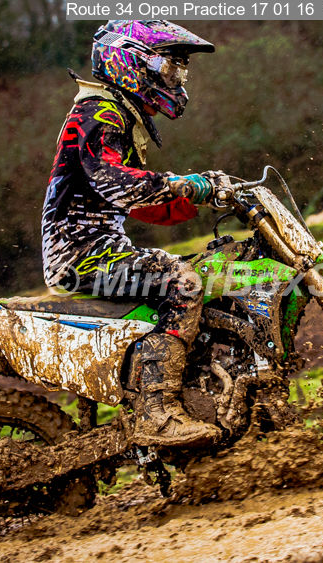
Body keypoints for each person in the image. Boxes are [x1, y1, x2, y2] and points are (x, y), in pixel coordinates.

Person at [41, 20, 222, 447]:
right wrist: (181, 183)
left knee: (209, 273)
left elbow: (138, 201)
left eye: (180, 70)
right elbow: (114, 181)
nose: (176, 79)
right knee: (183, 283)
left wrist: (199, 197)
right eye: (170, 67)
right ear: (131, 62)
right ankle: (157, 415)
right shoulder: (98, 113)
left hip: (100, 247)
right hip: (80, 255)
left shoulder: (118, 113)